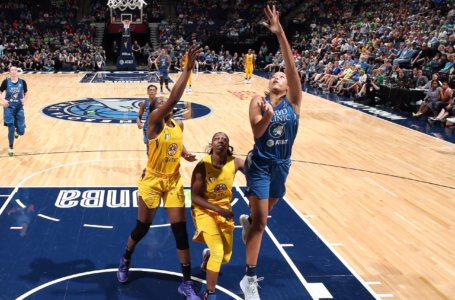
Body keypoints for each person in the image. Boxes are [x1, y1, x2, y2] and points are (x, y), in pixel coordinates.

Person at [117, 45, 202, 300]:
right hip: (153, 180)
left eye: (166, 101)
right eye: (161, 102)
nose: (166, 102)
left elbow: (175, 142)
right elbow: (174, 98)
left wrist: (184, 153)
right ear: (156, 108)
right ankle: (126, 258)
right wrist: (187, 69)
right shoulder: (154, 122)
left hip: (173, 180)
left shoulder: (179, 124)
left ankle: (186, 283)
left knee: (180, 231)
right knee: (142, 227)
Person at [239, 6, 302, 300]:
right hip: (262, 164)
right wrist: (268, 113)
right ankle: (249, 279)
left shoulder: (295, 101)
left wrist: (281, 34)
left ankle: (249, 224)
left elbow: (291, 66)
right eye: (274, 75)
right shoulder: (257, 99)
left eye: (281, 75)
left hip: (282, 166)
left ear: (288, 84)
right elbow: (257, 132)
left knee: (258, 219)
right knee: (262, 222)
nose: (278, 76)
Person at [190, 132, 245, 300]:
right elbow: (193, 197)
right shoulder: (202, 165)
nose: (220, 140)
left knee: (226, 258)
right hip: (204, 210)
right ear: (211, 145)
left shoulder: (235, 163)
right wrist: (218, 209)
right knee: (218, 251)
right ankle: (210, 293)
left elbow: (254, 174)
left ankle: (207, 259)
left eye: (224, 139)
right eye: (217, 139)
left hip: (223, 211)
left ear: (227, 146)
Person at [0, 66, 28, 157]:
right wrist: (4, 101)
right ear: (9, 72)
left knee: (22, 132)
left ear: (17, 72)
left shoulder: (22, 82)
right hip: (9, 109)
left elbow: (26, 94)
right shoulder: (5, 82)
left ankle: (17, 132)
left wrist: (24, 99)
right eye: (12, 70)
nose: (14, 71)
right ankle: (11, 147)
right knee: (11, 128)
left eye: (15, 70)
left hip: (19, 108)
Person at [136, 85, 158, 155]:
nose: (152, 91)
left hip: (158, 128)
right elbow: (139, 117)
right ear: (147, 92)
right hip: (147, 128)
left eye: (153, 90)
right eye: (150, 90)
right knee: (149, 149)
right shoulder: (143, 103)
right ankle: (150, 163)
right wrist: (139, 123)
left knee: (158, 149)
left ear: (156, 92)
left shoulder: (159, 102)